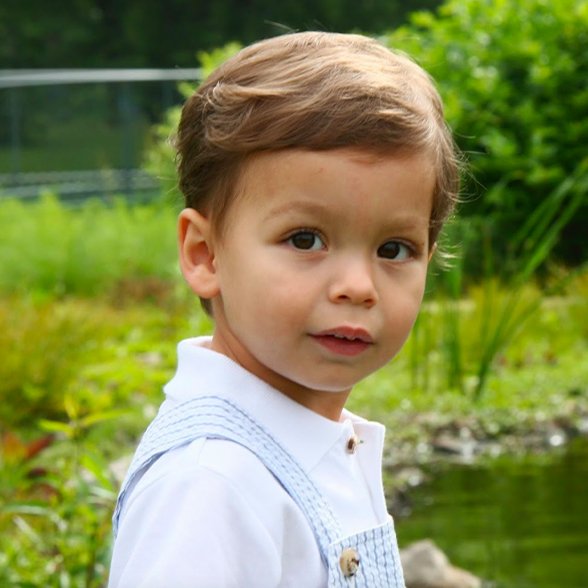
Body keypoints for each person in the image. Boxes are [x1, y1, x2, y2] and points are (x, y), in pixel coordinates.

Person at [108, 31, 460, 588]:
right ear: (206, 254)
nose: (356, 286)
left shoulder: (312, 444)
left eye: (393, 249)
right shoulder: (211, 485)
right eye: (304, 239)